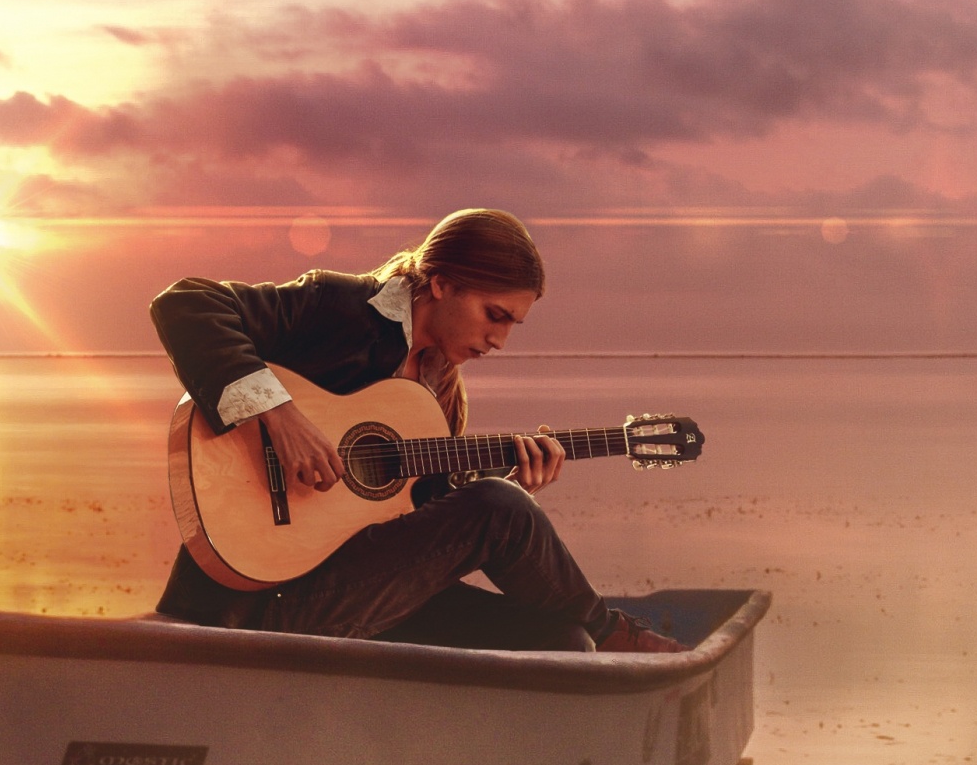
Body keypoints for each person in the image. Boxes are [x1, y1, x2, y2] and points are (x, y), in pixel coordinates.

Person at [150, 207, 673, 652]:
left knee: (560, 641)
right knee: (500, 510)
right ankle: (619, 636)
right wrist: (281, 415)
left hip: (352, 591)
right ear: (442, 283)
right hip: (258, 601)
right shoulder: (340, 310)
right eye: (494, 315)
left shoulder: (436, 390)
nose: (500, 340)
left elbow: (404, 522)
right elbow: (186, 304)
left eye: (513, 323)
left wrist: (509, 487)